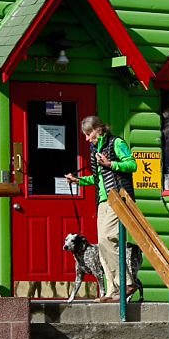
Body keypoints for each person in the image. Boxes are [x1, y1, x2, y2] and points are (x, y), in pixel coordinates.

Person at [64, 116, 138, 303]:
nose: (88, 139)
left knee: (107, 239)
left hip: (119, 198)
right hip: (103, 201)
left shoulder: (116, 143)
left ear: (99, 129)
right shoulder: (95, 149)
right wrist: (78, 180)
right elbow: (98, 180)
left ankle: (127, 283)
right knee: (102, 246)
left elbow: (132, 165)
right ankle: (111, 291)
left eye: (89, 134)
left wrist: (111, 164)